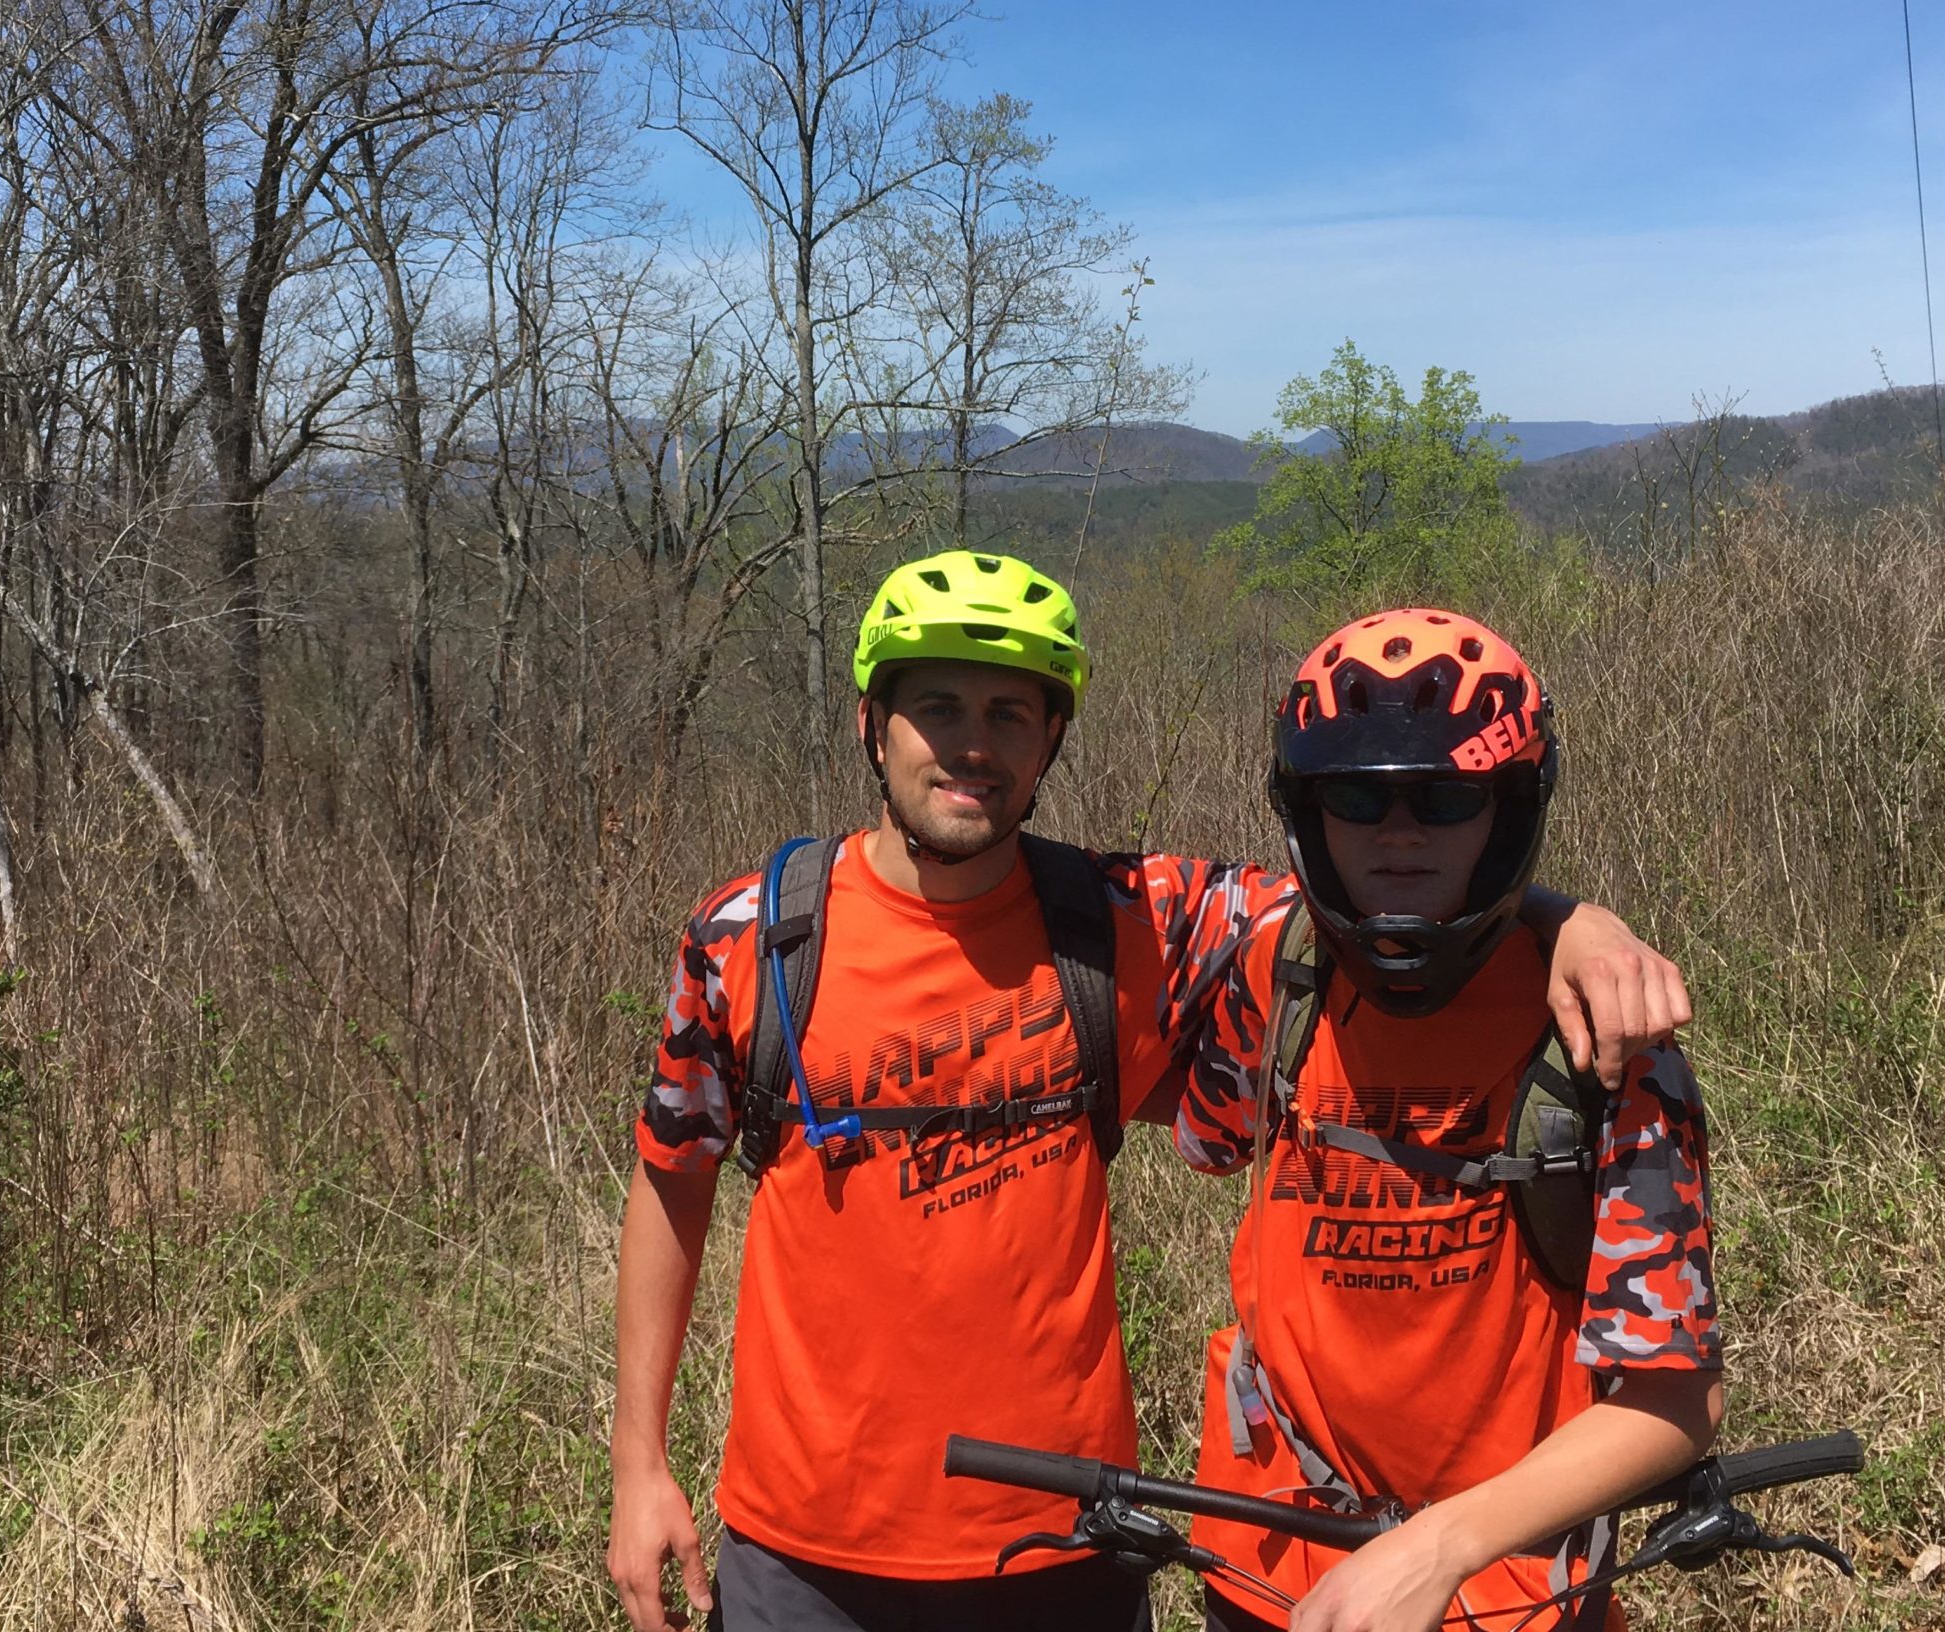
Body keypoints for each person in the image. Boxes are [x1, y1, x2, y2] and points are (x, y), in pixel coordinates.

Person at [609, 555, 1689, 1632]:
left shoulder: (1132, 919)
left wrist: (1570, 922)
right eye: (936, 707)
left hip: (1065, 1536)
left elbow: (1381, 889)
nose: (971, 745)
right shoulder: (753, 937)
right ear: (871, 724)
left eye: (1009, 714)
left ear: (1051, 739)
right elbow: (671, 1180)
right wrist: (638, 1462)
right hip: (805, 1550)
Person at [1175, 609, 1724, 1632]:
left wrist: (1439, 1548)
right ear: (1310, 816)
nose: (1397, 833)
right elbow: (1211, 1142)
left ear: (1507, 813)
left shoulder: (1601, 1040)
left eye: (1446, 798)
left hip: (1498, 1588)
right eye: (1356, 797)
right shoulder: (1275, 975)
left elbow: (1674, 1401)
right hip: (1264, 1557)